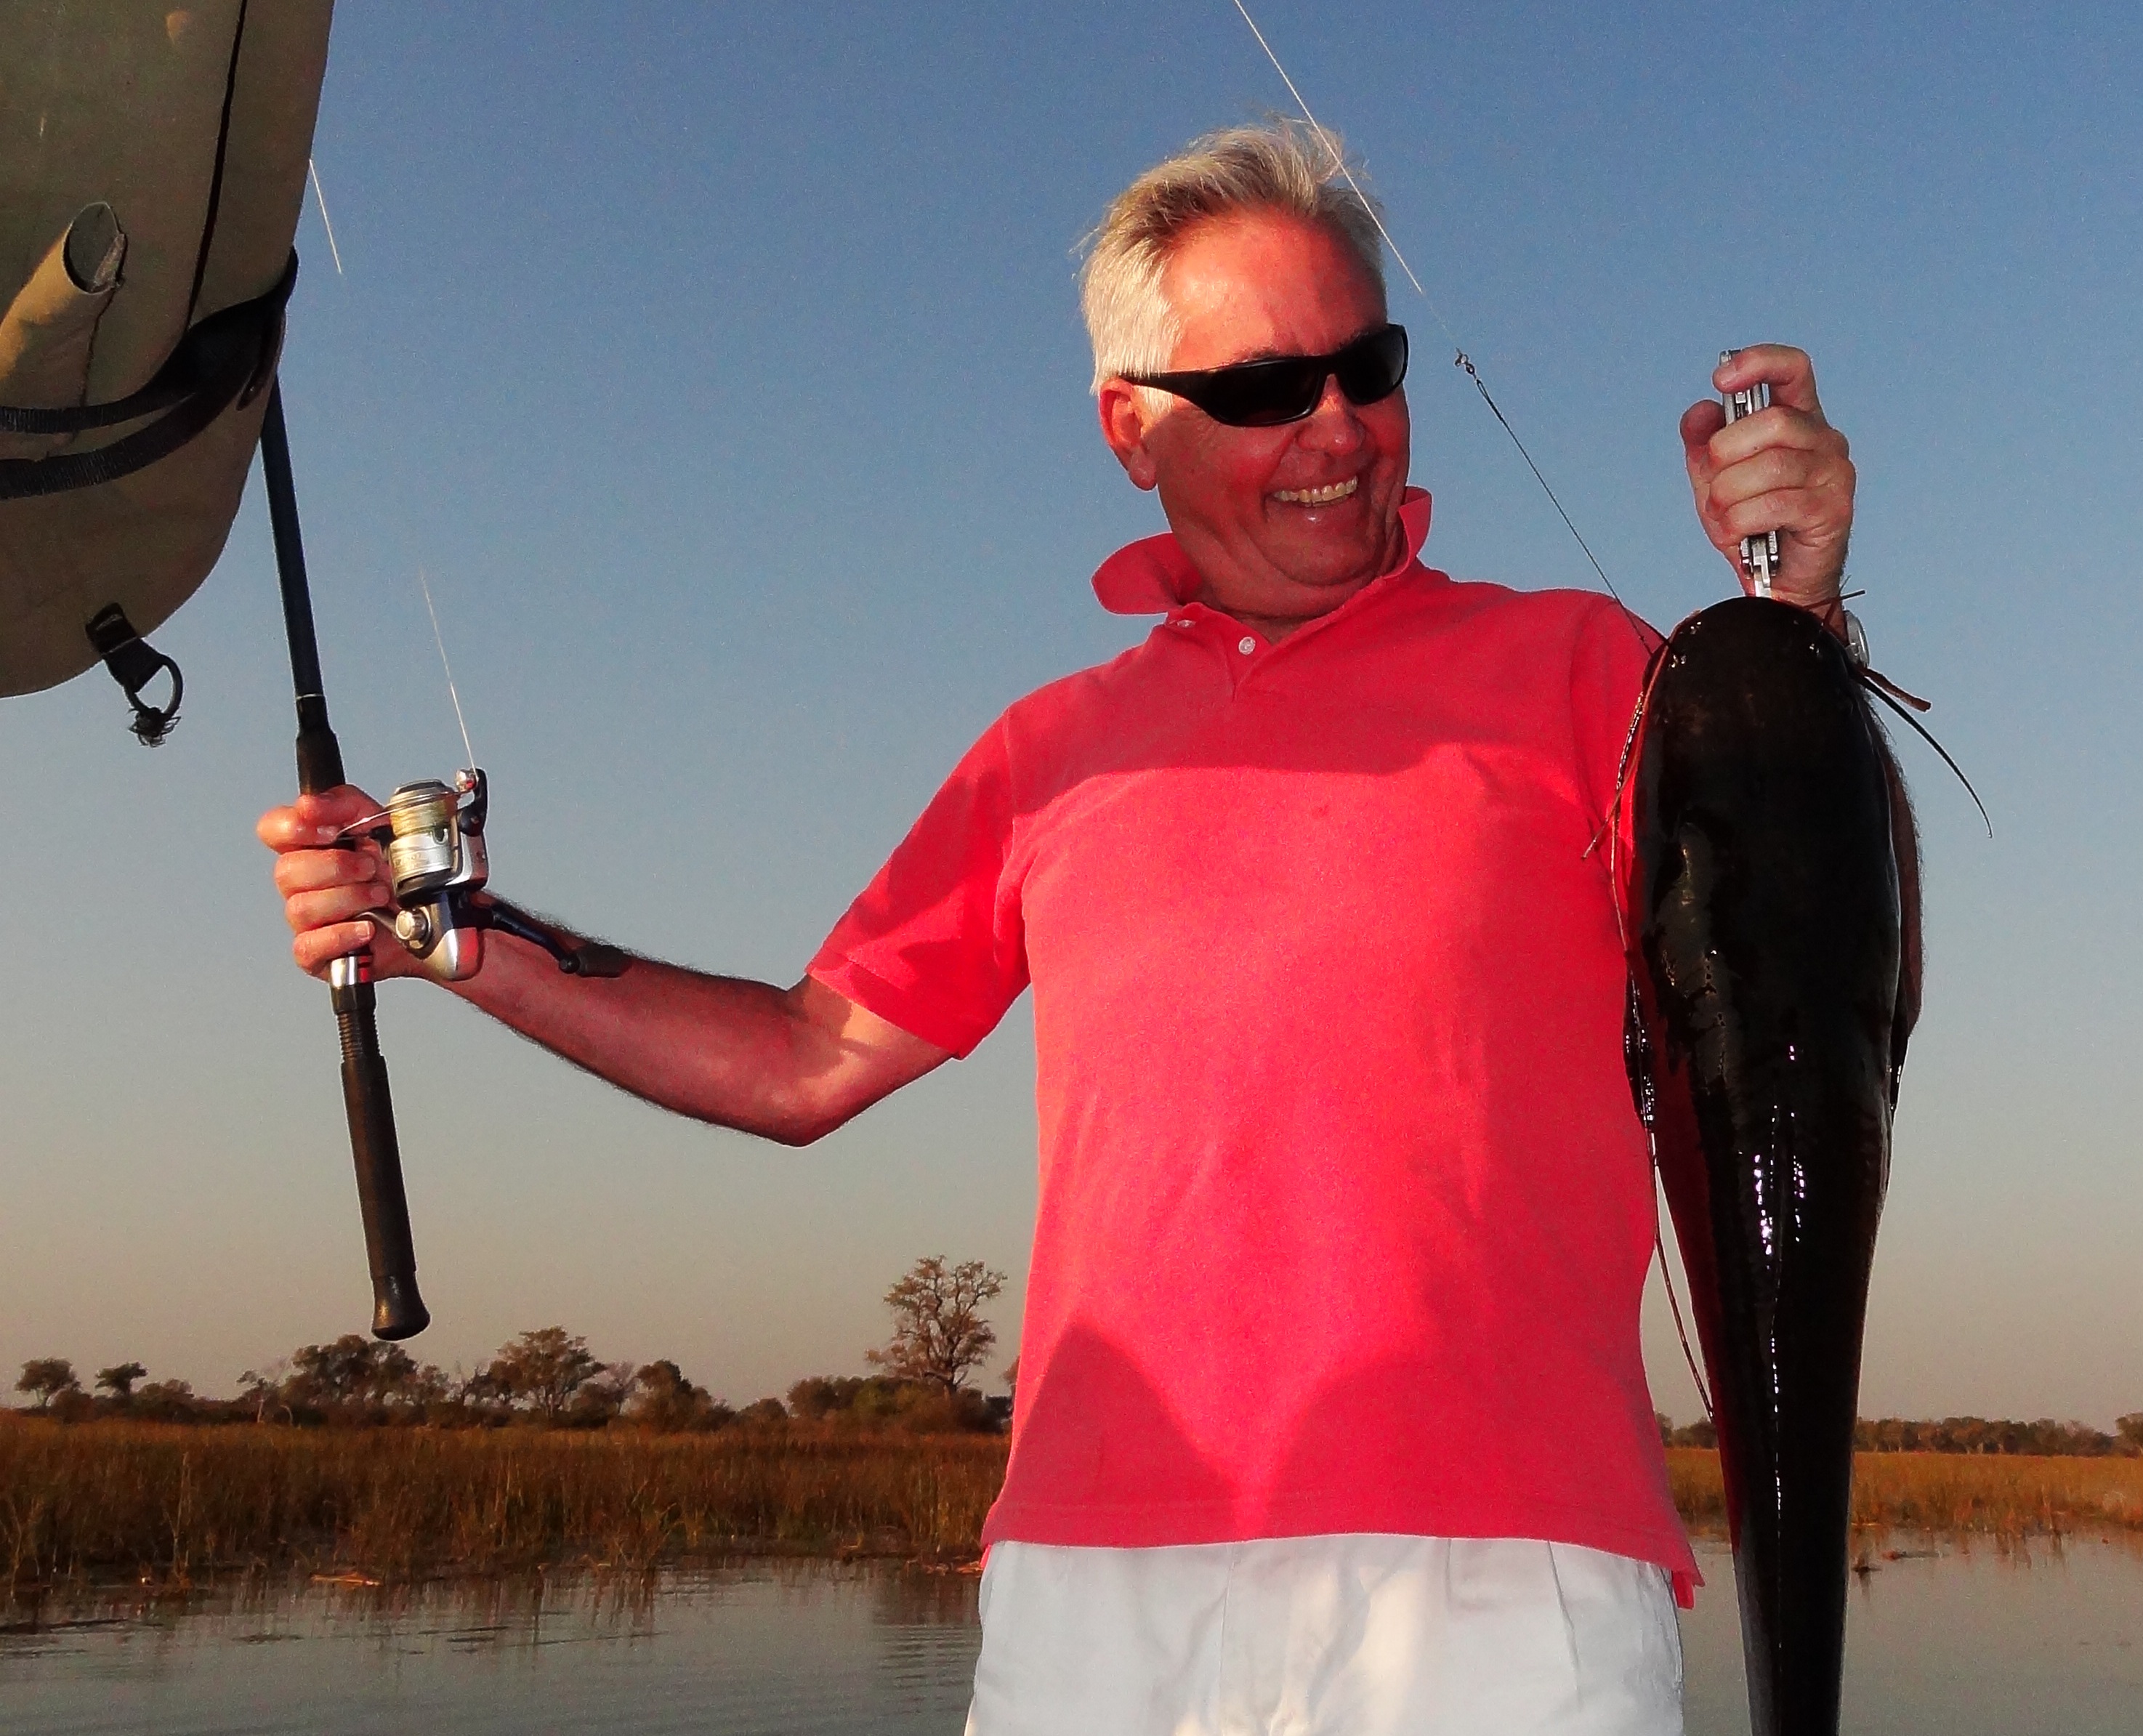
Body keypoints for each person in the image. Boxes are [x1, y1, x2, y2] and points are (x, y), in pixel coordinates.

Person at [259, 123, 1858, 1735]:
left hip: (1506, 1583)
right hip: (1096, 1590)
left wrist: (1787, 606)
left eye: (1364, 368)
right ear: (1129, 426)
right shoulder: (1046, 755)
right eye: (1260, 390)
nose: (1337, 429)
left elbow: (1805, 928)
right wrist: (458, 935)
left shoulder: (1589, 670)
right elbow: (804, 1059)